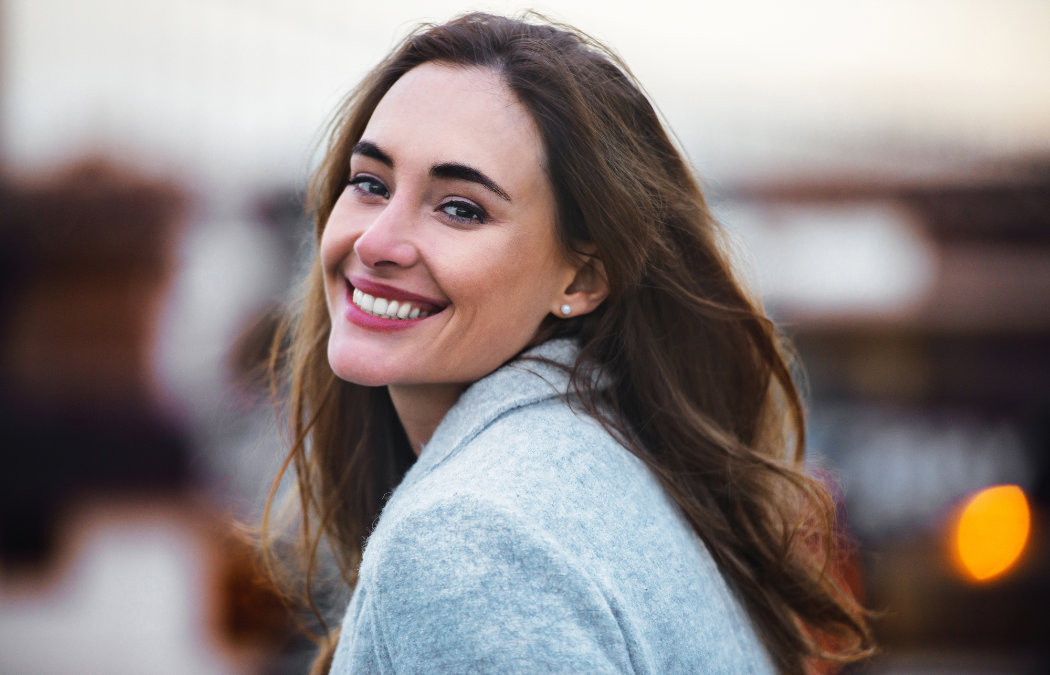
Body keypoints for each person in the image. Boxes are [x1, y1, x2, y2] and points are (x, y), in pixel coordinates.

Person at [264, 12, 873, 674]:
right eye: (371, 183)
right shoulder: (622, 468)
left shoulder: (470, 542)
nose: (376, 241)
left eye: (460, 208)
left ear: (583, 276)